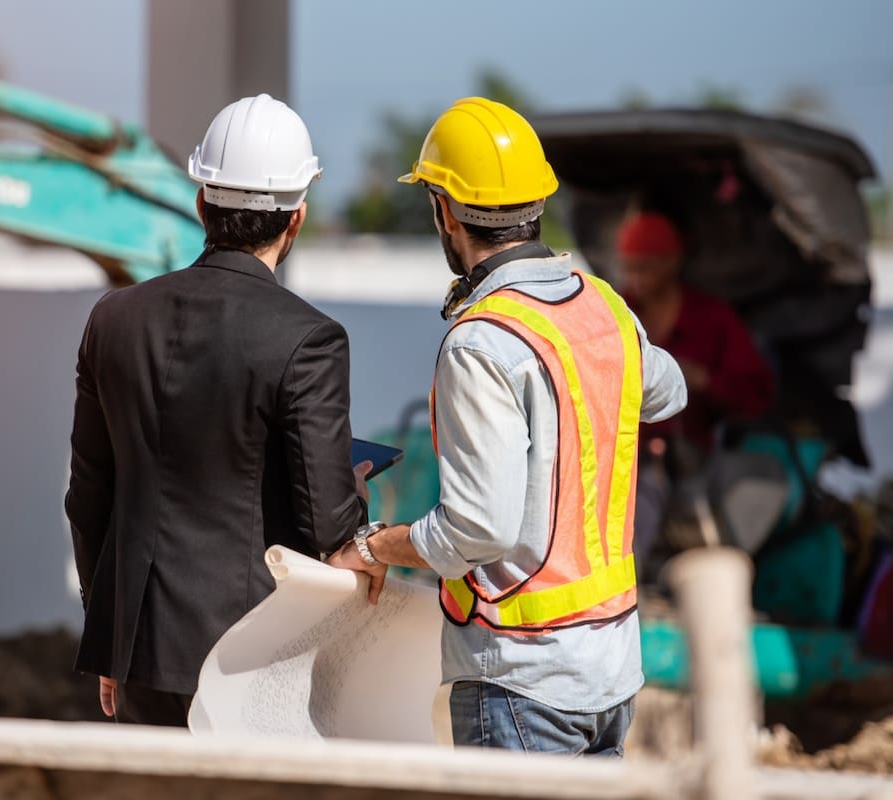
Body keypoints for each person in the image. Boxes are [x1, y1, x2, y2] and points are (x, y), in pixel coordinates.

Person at [328, 97, 687, 755]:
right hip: (611, 673)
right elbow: (668, 390)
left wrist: (376, 544)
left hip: (525, 683)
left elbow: (478, 529)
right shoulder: (602, 303)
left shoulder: (483, 341)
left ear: (444, 210)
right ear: (537, 204)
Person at [65, 94, 369, 727]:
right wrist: (354, 490)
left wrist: (110, 635)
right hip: (251, 657)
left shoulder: (113, 320)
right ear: (298, 218)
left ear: (201, 202)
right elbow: (328, 526)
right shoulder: (309, 339)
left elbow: (88, 494)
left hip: (138, 649)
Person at [615, 210, 775, 454]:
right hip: (628, 454)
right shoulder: (616, 313)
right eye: (629, 269)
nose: (636, 279)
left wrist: (704, 380)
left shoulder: (712, 317)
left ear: (673, 260)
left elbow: (756, 393)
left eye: (645, 268)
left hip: (701, 456)